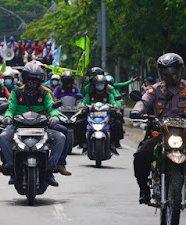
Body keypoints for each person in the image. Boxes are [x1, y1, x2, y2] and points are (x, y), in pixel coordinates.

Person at [0, 63, 65, 186]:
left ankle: (50, 169)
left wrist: (55, 116)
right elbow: (10, 108)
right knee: (3, 136)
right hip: (18, 127)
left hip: (41, 127)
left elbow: (51, 108)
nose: (32, 83)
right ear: (24, 80)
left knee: (61, 137)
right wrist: (7, 117)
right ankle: (11, 167)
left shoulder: (45, 94)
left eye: (35, 80)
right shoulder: (16, 93)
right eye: (29, 80)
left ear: (40, 81)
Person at [130, 53, 186, 204]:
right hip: (161, 134)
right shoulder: (154, 90)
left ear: (180, 70)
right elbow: (143, 102)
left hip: (184, 135)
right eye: (165, 71)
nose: (169, 74)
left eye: (173, 70)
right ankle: (143, 190)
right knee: (141, 155)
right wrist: (137, 111)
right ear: (160, 72)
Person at [73, 75, 122, 153]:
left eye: (102, 84)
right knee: (78, 124)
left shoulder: (109, 95)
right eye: (98, 84)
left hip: (105, 116)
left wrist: (114, 106)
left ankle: (113, 143)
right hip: (91, 116)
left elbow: (113, 102)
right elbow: (85, 102)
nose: (100, 86)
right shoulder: (90, 94)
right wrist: (82, 105)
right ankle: (83, 143)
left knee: (117, 123)